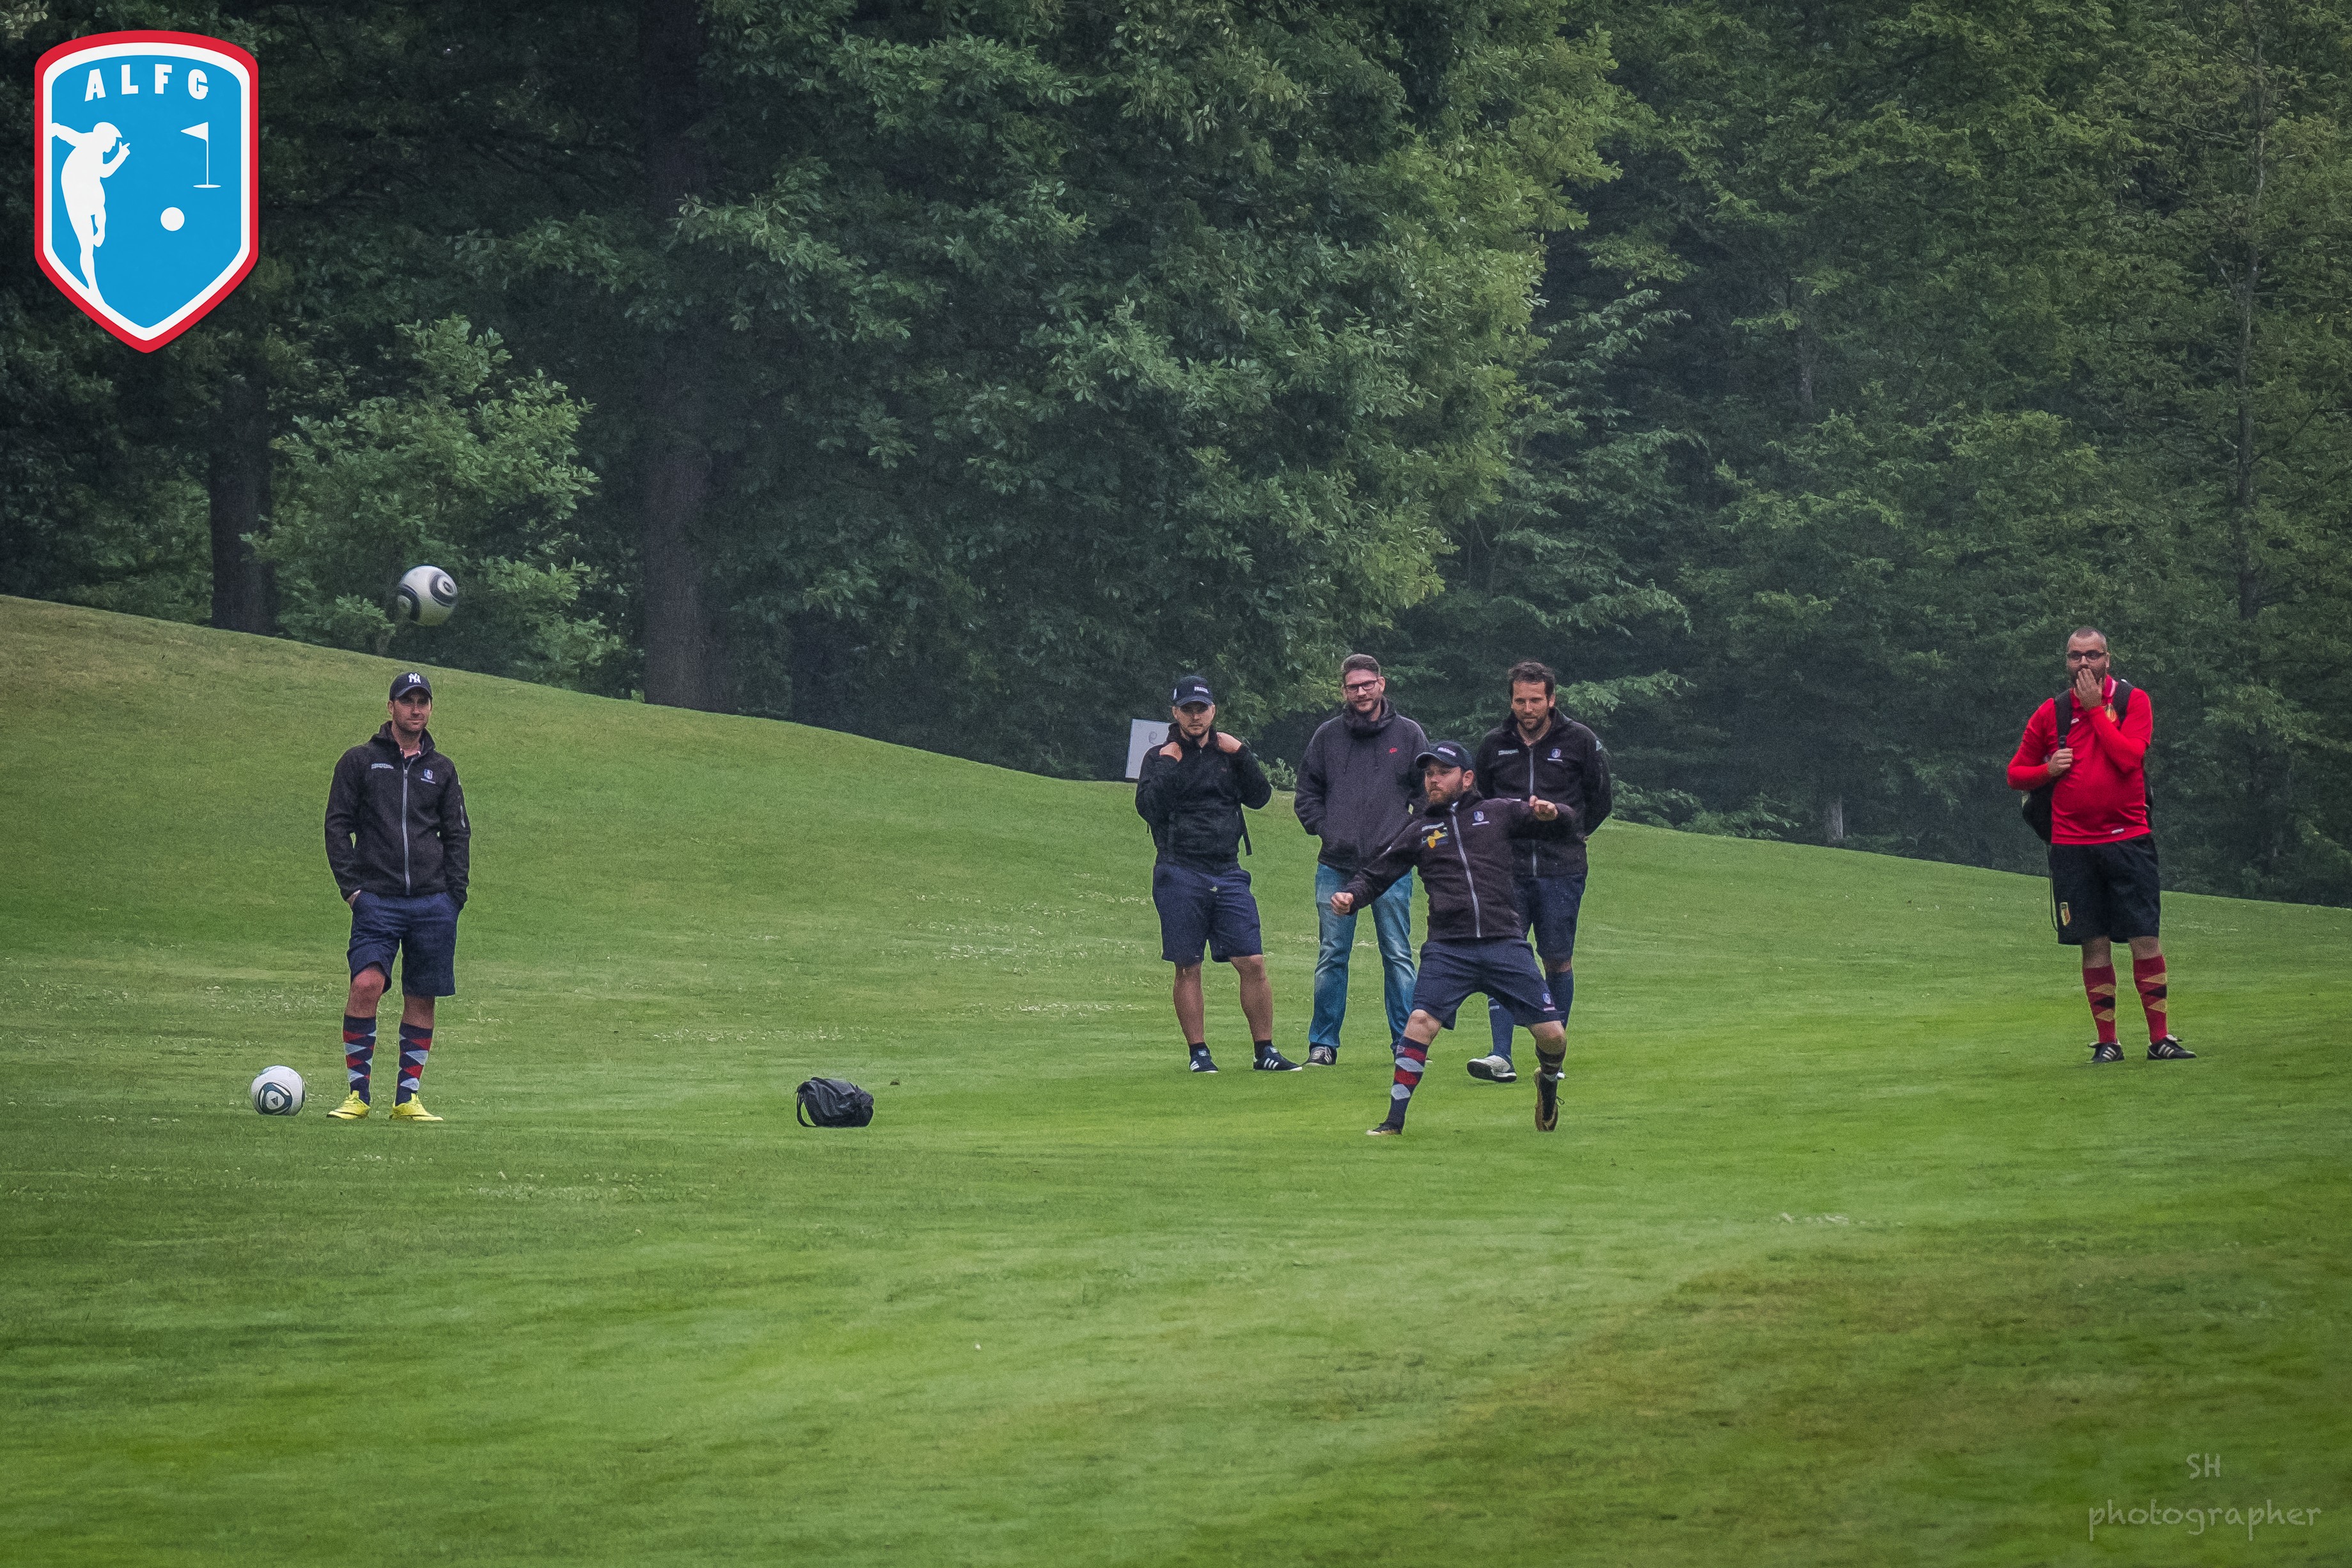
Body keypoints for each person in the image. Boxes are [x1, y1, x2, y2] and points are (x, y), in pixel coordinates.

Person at [1331, 742, 1578, 1135]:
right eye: (1428, 773)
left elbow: (1565, 823)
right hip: (1448, 949)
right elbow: (1378, 872)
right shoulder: (1419, 829)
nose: (1433, 780)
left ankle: (1547, 1082)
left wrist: (1555, 812)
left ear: (1467, 778)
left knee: (1553, 1036)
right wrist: (1351, 896)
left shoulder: (1498, 812)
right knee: (1419, 1022)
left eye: (1443, 772)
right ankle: (1393, 1122)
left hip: (1504, 942)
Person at [2005, 628, 2191, 1063]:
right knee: (2094, 943)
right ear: (2066, 662)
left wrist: (2093, 711)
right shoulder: (2051, 712)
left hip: (2129, 840)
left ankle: (2160, 1039)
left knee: (2145, 937)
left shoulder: (2132, 702)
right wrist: (2048, 770)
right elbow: (2015, 774)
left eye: (2092, 655)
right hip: (2072, 846)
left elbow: (2128, 759)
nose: (2084, 663)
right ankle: (2108, 1042)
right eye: (2076, 656)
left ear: (2108, 658)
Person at [322, 671, 472, 1121]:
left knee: (421, 996)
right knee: (366, 985)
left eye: (423, 701)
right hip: (377, 901)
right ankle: (358, 1096)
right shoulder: (360, 761)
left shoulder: (442, 769)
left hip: (433, 903)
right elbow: (337, 826)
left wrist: (454, 896)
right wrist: (352, 890)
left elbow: (458, 833)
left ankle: (407, 1099)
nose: (416, 709)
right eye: (407, 701)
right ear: (391, 707)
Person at [1136, 676, 1298, 1073]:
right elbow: (1149, 809)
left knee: (1253, 961)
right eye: (1187, 710)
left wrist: (1243, 754)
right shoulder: (1159, 756)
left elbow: (1260, 797)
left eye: (1202, 709)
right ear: (1175, 713)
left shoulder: (1229, 753)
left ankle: (1265, 1051)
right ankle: (1199, 1054)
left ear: (1213, 711)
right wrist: (1170, 765)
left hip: (1228, 869)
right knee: (1188, 964)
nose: (1196, 716)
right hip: (1179, 869)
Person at [1468, 660, 1611, 1083]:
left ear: (1551, 699)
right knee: (1502, 955)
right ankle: (1500, 1055)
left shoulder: (1580, 741)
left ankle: (1552, 1058)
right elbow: (1478, 802)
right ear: (1510, 701)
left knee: (1557, 959)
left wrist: (1570, 827)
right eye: (1520, 701)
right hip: (1505, 869)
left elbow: (1600, 799)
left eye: (1535, 700)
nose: (1527, 709)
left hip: (1561, 869)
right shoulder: (1494, 744)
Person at [1292, 654, 1427, 1067]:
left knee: (1397, 954)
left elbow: (1426, 795)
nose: (1362, 692)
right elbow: (1307, 794)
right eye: (1354, 686)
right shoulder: (1327, 736)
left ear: (1382, 684)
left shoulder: (1409, 734)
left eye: (1368, 684)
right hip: (1336, 863)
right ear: (1344, 691)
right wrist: (1328, 830)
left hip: (1390, 868)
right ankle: (1323, 1044)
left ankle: (1406, 1044)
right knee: (1332, 955)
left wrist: (1407, 840)